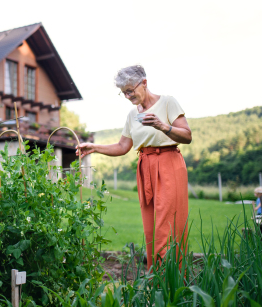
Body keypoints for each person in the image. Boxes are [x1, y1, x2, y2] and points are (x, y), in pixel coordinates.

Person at [77, 65, 192, 270]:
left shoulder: (167, 102)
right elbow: (123, 146)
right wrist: (94, 147)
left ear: (144, 83)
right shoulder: (132, 115)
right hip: (145, 166)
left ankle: (172, 281)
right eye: (124, 93)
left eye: (130, 90)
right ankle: (155, 279)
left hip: (168, 164)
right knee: (150, 230)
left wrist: (162, 126)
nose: (128, 95)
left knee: (167, 228)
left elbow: (187, 135)